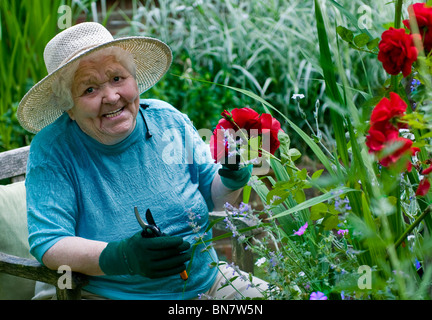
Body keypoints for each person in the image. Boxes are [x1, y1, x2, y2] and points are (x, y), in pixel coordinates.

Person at [18, 22, 266, 300]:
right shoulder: (54, 149)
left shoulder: (167, 119)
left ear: (134, 80)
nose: (112, 97)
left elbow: (214, 198)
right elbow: (49, 243)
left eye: (117, 79)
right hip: (114, 295)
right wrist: (123, 257)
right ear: (68, 106)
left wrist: (232, 173)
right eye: (89, 89)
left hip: (209, 285)